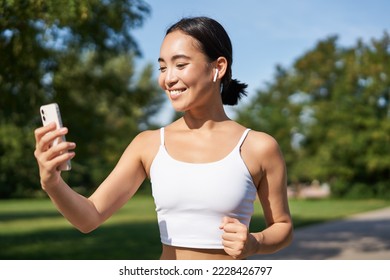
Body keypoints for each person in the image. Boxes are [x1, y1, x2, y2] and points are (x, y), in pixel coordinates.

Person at [34, 16, 293, 260]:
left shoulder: (259, 147)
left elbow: (282, 227)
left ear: (218, 67)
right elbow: (89, 217)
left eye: (180, 65)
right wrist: (52, 182)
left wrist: (254, 242)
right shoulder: (147, 144)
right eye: (162, 67)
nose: (168, 78)